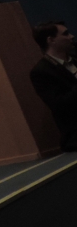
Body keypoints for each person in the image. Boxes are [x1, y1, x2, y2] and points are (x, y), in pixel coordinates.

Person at [30, 21, 77, 151]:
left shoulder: (75, 58)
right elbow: (60, 105)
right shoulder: (41, 72)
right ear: (51, 40)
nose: (71, 36)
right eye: (66, 34)